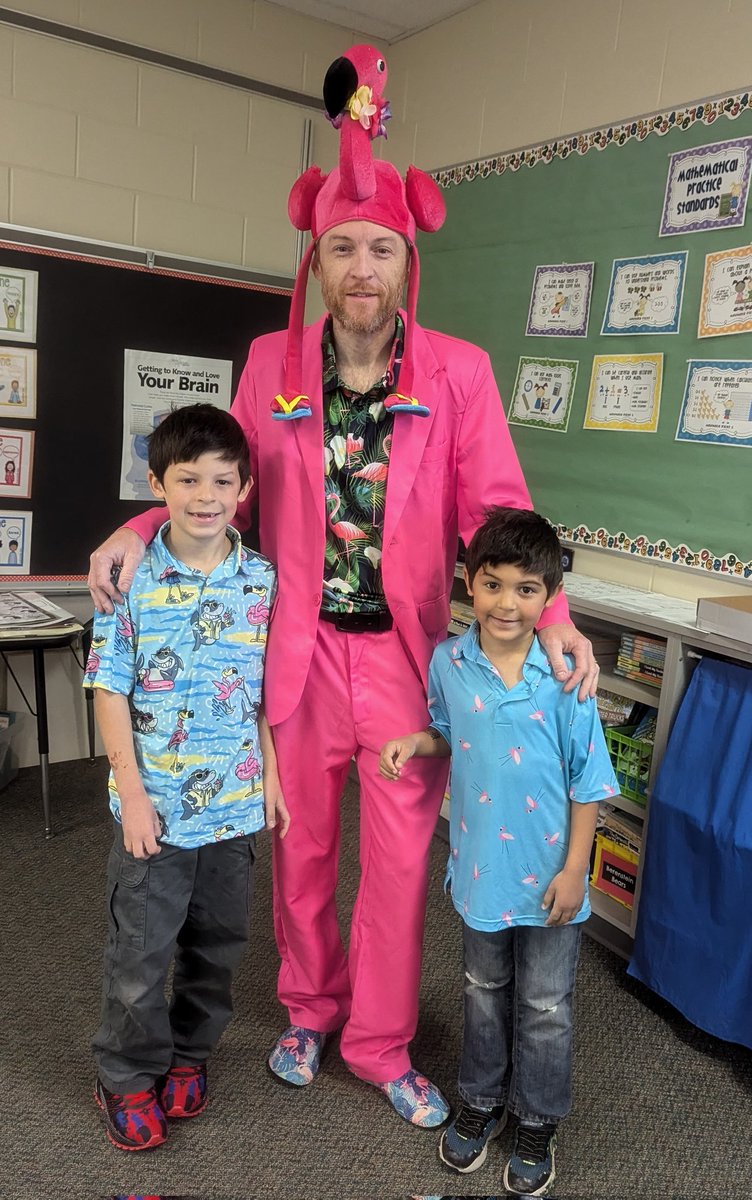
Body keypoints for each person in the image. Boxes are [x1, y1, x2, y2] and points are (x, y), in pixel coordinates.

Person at [87, 43, 597, 1128]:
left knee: (403, 863)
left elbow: (494, 510)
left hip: (407, 660)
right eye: (340, 249)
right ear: (315, 261)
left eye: (379, 248)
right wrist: (141, 524)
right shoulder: (269, 362)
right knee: (301, 849)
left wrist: (550, 617)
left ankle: (377, 1040)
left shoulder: (455, 371)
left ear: (404, 260)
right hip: (295, 651)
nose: (360, 266)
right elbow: (218, 476)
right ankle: (308, 1010)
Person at [379, 508, 617, 1194]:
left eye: (526, 589)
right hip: (481, 873)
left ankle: (537, 1119)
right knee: (483, 991)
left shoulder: (565, 674)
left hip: (552, 882)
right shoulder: (449, 662)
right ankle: (481, 1101)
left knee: (546, 1006)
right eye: (492, 585)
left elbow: (589, 781)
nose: (507, 603)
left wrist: (577, 870)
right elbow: (449, 732)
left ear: (548, 597)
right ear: (469, 584)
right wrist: (415, 742)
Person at [84, 403, 288, 1152]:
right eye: (188, 479)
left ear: (244, 487)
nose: (206, 495)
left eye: (222, 480)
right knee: (140, 953)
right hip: (155, 811)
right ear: (157, 483)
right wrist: (131, 794)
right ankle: (126, 1075)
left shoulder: (261, 579)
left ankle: (190, 1055)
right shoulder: (130, 577)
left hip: (233, 806)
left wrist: (269, 776)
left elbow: (265, 691)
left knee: (218, 944)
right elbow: (109, 687)